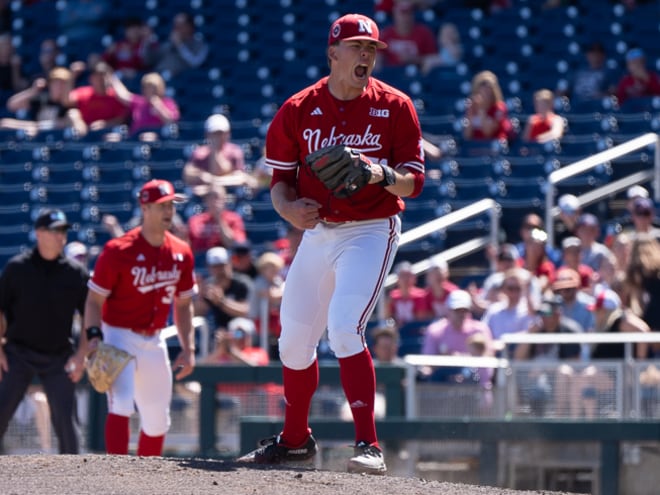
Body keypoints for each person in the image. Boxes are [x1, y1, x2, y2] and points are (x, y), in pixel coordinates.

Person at [238, 13, 425, 475]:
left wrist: (380, 173)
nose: (366, 55)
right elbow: (279, 183)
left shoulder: (395, 106)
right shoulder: (299, 108)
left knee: (344, 327)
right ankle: (296, 441)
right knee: (294, 341)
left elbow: (414, 184)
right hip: (319, 230)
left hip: (371, 228)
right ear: (333, 53)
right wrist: (288, 211)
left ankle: (369, 445)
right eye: (357, 47)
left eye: (372, 49)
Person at [82, 179, 196, 456]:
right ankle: (117, 477)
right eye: (161, 206)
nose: (169, 211)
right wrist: (94, 337)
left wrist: (188, 347)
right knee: (121, 402)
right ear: (144, 208)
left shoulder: (181, 251)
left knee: (158, 421)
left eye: (171, 205)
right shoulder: (118, 250)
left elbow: (183, 305)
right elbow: (94, 301)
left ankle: (147, 481)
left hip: (155, 339)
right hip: (118, 334)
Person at [0, 208, 89, 454]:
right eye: (54, 230)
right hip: (18, 353)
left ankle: (75, 483)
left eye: (63, 231)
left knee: (67, 426)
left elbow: (90, 315)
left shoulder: (75, 273)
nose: (60, 236)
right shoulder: (17, 268)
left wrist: (81, 355)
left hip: (59, 356)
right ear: (39, 233)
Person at [420, 289, 494, 386]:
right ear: (448, 310)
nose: (461, 314)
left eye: (464, 310)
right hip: (442, 391)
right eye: (457, 310)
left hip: (477, 390)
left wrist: (459, 358)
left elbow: (488, 360)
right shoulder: (435, 330)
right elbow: (427, 363)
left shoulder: (480, 330)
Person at [1, 67, 86, 137]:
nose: (59, 87)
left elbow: (75, 126)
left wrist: (38, 127)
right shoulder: (42, 99)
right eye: (55, 83)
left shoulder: (69, 103)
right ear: (49, 84)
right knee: (4, 123)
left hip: (58, 141)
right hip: (35, 135)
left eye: (63, 84)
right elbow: (12, 105)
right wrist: (33, 91)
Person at [182, 114, 256, 190]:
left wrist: (213, 180)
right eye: (215, 134)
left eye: (221, 133)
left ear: (228, 134)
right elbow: (187, 175)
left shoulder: (234, 151)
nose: (218, 137)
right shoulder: (200, 153)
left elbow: (241, 177)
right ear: (207, 134)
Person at [193, 246, 252, 334]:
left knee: (238, 329)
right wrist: (201, 296)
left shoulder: (242, 283)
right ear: (209, 267)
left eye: (222, 265)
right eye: (215, 266)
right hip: (218, 333)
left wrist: (221, 301)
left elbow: (246, 312)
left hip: (241, 333)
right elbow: (197, 314)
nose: (219, 270)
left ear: (229, 264)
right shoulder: (208, 286)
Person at [108, 70, 180, 139]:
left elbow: (171, 123)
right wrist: (112, 77)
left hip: (156, 140)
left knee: (148, 138)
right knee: (112, 138)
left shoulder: (168, 103)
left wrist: (158, 106)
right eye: (146, 87)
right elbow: (124, 95)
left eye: (153, 88)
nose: (149, 90)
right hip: (135, 138)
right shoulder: (139, 102)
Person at [68, 61, 129, 134]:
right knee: (73, 113)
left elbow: (122, 118)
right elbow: (66, 100)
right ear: (91, 79)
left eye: (103, 77)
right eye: (97, 77)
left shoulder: (118, 96)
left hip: (109, 134)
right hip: (86, 132)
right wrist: (72, 76)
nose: (101, 81)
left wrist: (105, 124)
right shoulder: (83, 93)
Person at [186, 183, 247, 256]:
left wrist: (219, 219)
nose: (214, 201)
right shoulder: (195, 221)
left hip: (225, 260)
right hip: (201, 260)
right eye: (211, 197)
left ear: (224, 200)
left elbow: (232, 244)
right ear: (206, 200)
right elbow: (190, 246)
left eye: (217, 197)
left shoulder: (234, 218)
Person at [146, 12, 209, 78]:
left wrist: (180, 45)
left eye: (180, 26)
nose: (176, 29)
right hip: (159, 77)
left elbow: (195, 63)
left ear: (189, 27)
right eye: (175, 25)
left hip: (183, 81)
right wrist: (147, 43)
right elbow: (151, 61)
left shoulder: (200, 45)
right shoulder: (169, 43)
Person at [376, 1, 437, 70]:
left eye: (409, 13)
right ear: (394, 14)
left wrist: (414, 59)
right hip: (392, 75)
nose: (405, 17)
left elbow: (433, 58)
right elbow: (378, 60)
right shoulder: (386, 34)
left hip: (419, 74)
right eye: (402, 13)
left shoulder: (424, 33)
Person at [462, 70, 513, 143]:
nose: (486, 93)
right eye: (483, 89)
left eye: (489, 90)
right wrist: (470, 112)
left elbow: (488, 133)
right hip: (475, 147)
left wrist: (481, 110)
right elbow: (467, 136)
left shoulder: (499, 108)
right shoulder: (472, 107)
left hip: (494, 147)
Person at [557, 41, 614, 106]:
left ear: (603, 55)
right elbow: (566, 90)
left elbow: (613, 92)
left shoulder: (609, 72)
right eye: (592, 52)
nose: (595, 55)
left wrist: (602, 95)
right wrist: (561, 94)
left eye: (599, 52)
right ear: (587, 55)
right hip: (576, 104)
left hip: (596, 106)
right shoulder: (578, 72)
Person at [101, 16, 157, 81]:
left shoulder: (145, 44)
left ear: (140, 30)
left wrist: (132, 54)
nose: (132, 32)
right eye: (130, 29)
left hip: (138, 78)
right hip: (118, 78)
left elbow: (148, 64)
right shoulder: (119, 45)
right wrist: (109, 53)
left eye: (135, 29)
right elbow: (105, 62)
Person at [385, 261, 431, 325]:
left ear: (414, 278)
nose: (406, 279)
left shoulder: (421, 295)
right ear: (397, 279)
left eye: (408, 275)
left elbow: (421, 320)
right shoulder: (392, 296)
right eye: (403, 276)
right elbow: (388, 318)